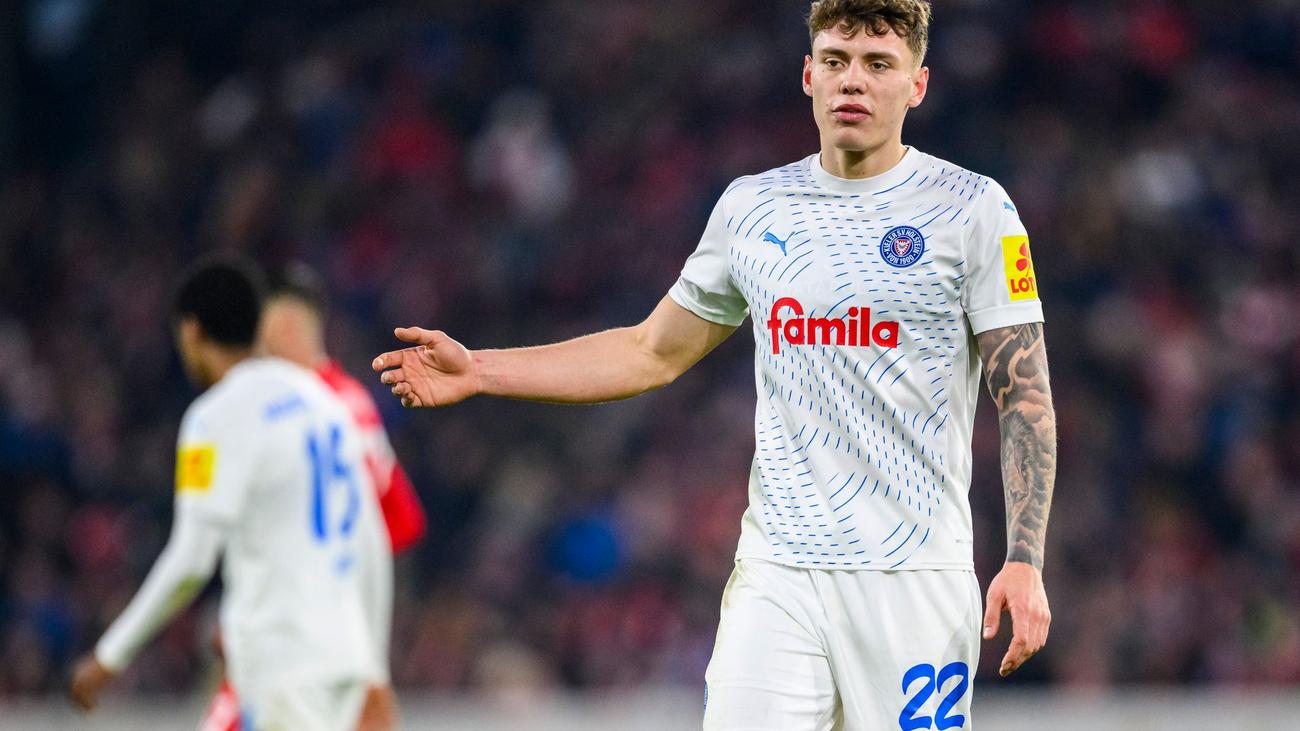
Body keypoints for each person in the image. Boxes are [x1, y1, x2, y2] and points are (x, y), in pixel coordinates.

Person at [373, 0, 1057, 727]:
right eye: (836, 61)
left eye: (878, 64)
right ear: (808, 75)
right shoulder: (753, 209)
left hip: (911, 577)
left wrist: (1024, 558)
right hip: (779, 574)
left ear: (917, 84)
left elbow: (1024, 395)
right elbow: (650, 351)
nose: (853, 80)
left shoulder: (973, 210)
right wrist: (481, 370)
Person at [70, 258, 391, 731]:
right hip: (344, 657)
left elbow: (192, 558)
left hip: (285, 660)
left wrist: (110, 654)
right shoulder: (325, 401)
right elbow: (372, 541)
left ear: (191, 331)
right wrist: (374, 667)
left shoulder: (215, 418)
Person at [198, 261, 427, 731]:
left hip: (297, 638)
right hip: (325, 631)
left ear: (284, 327)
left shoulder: (296, 408)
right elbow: (399, 524)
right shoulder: (352, 403)